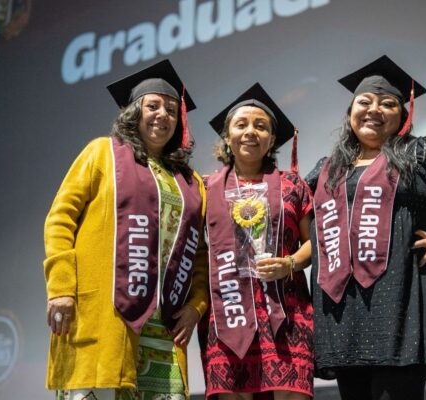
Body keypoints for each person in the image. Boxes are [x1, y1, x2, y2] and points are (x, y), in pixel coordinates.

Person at [305, 55, 426, 400]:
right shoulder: (328, 168)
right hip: (343, 305)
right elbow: (293, 208)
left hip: (401, 297)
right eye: (365, 102)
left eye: (387, 103)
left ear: (403, 115)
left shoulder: (421, 152)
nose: (374, 109)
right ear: (350, 112)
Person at [43, 59, 208, 400]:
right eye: (153, 106)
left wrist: (197, 305)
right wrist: (61, 288)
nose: (163, 115)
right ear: (134, 112)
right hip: (107, 315)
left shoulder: (190, 183)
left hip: (163, 329)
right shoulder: (101, 154)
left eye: (171, 110)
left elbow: (200, 255)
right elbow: (60, 219)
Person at [199, 83, 314, 400]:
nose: (251, 132)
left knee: (290, 393)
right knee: (235, 394)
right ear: (227, 136)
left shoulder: (293, 185)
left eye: (261, 126)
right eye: (241, 124)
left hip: (287, 311)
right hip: (229, 310)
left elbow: (314, 244)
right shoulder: (205, 188)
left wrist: (289, 263)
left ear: (272, 139)